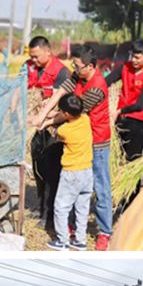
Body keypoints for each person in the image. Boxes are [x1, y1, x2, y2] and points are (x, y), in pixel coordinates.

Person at [33, 45, 112, 251]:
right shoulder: (79, 76)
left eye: (78, 66)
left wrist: (48, 121)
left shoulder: (97, 87)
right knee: (78, 190)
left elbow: (72, 113)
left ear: (91, 66)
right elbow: (60, 92)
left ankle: (104, 232)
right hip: (78, 142)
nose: (75, 70)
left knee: (100, 187)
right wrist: (43, 114)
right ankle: (75, 232)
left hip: (96, 142)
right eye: (74, 66)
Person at [27, 36, 71, 229]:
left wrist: (47, 116)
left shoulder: (61, 72)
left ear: (47, 52)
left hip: (55, 128)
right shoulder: (33, 69)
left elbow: (62, 104)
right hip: (38, 127)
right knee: (38, 167)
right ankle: (40, 206)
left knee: (52, 172)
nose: (33, 61)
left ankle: (50, 214)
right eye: (31, 57)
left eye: (36, 57)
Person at [47, 94, 93, 251]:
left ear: (66, 114)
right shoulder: (85, 119)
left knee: (61, 207)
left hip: (72, 172)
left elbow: (55, 132)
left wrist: (45, 123)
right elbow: (66, 115)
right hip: (87, 171)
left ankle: (62, 241)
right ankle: (80, 240)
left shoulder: (65, 130)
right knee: (82, 207)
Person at [106, 39, 143, 161]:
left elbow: (140, 105)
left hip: (137, 122)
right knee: (115, 157)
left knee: (131, 159)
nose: (134, 60)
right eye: (132, 56)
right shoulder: (125, 67)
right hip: (119, 119)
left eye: (137, 58)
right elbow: (107, 81)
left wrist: (120, 111)